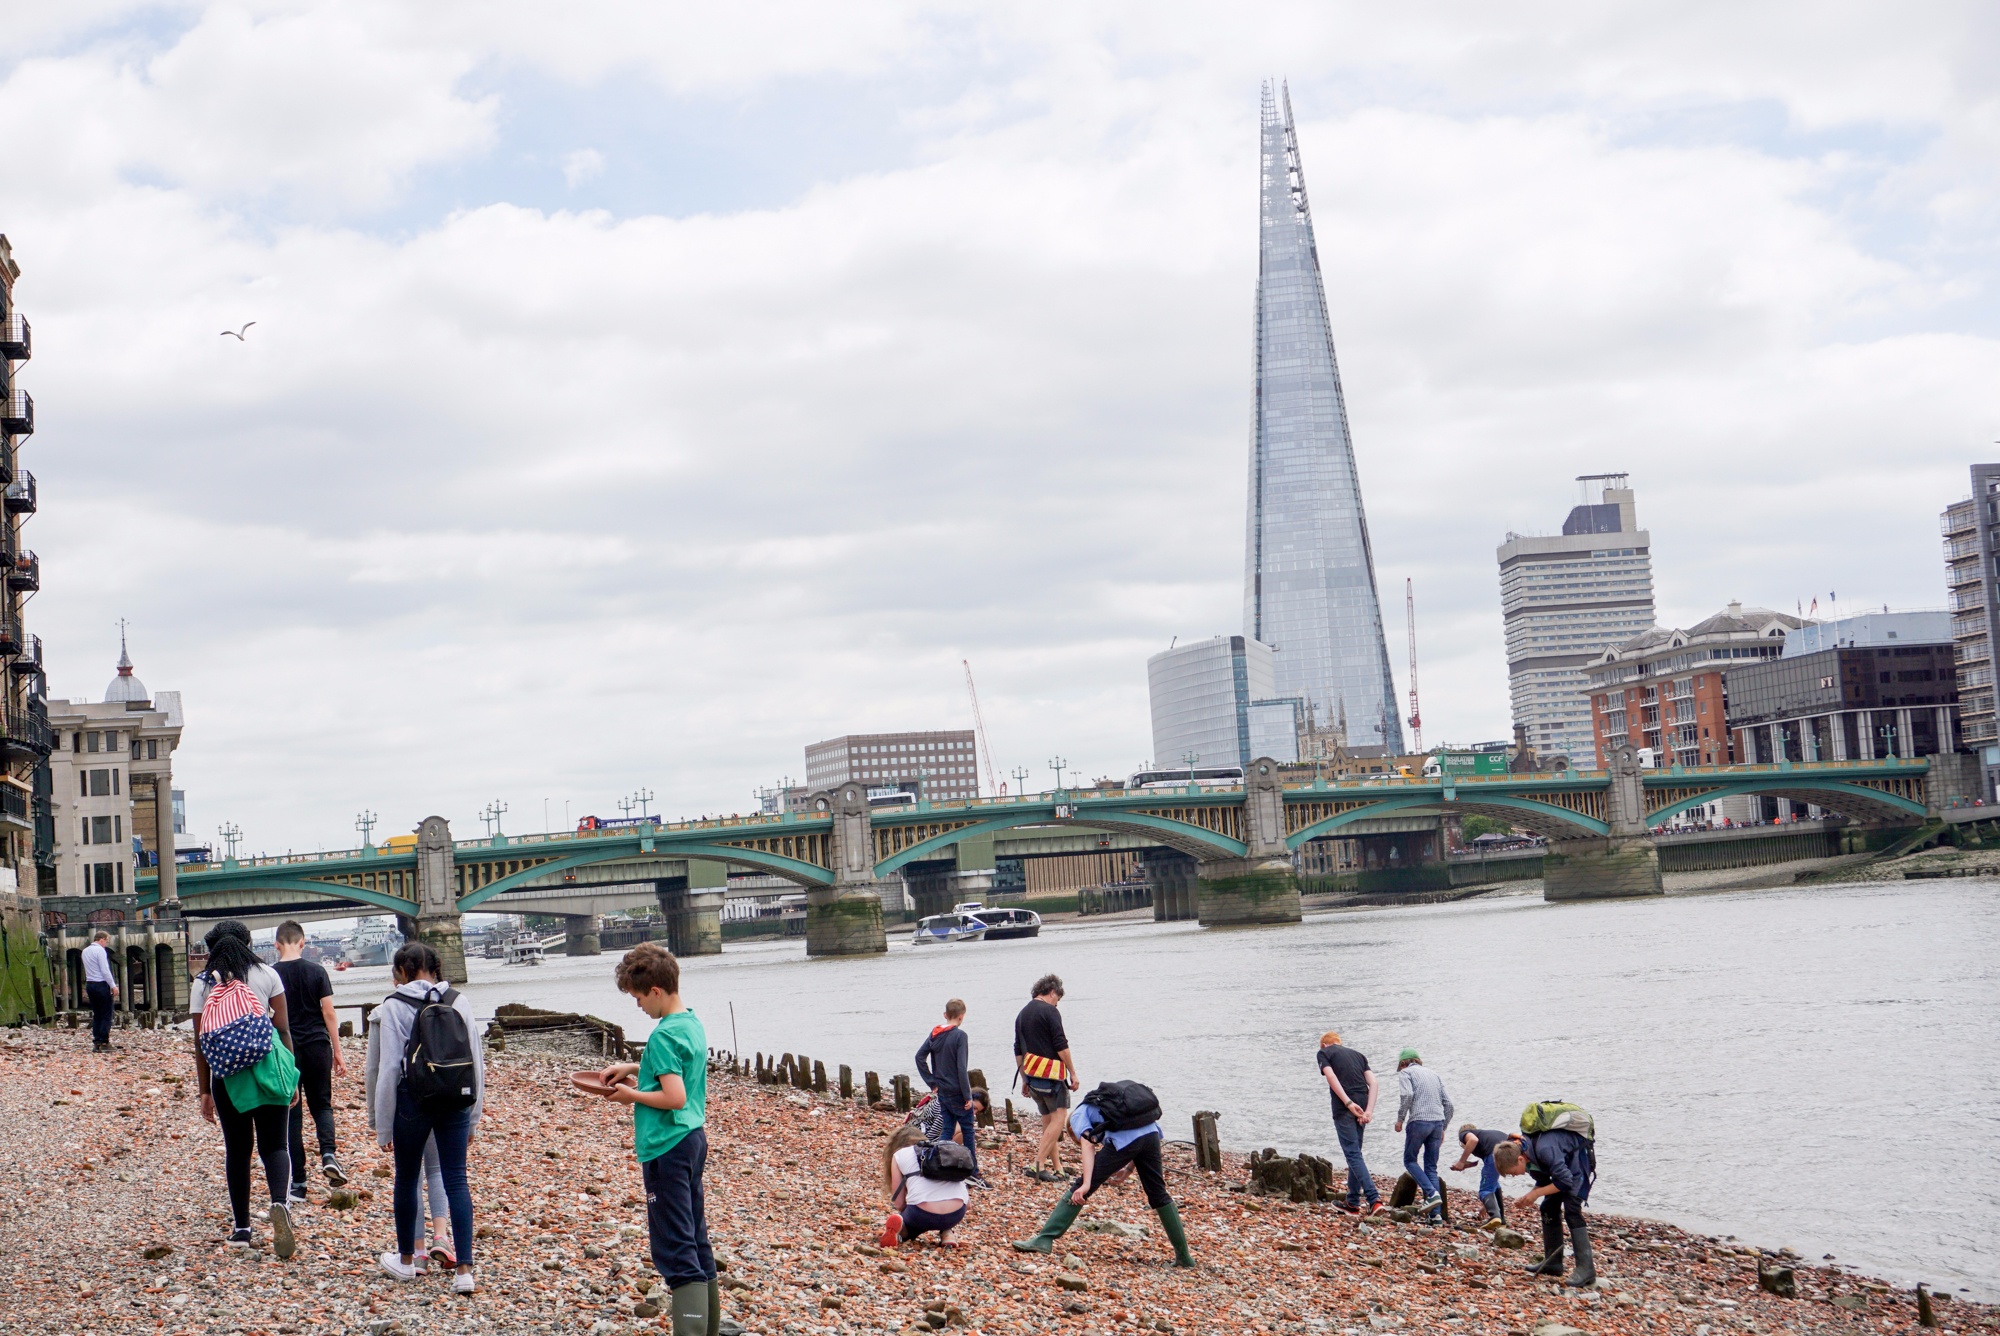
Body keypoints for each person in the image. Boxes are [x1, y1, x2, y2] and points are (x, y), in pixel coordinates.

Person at [595, 942, 716, 1336]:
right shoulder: (690, 1021)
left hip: (667, 1145)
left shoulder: (663, 1035)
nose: (638, 1006)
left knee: (675, 1247)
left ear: (656, 992)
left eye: (638, 997)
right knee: (695, 1238)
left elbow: (673, 1096)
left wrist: (631, 1094)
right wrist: (636, 1065)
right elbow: (681, 1069)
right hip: (692, 1139)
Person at [366, 942, 483, 1292]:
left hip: (412, 1101)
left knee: (406, 1177)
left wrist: (382, 1124)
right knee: (456, 1180)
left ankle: (405, 1261)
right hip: (455, 1100)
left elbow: (388, 1069)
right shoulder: (459, 1001)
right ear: (435, 968)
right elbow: (476, 1062)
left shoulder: (394, 1006)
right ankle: (464, 1272)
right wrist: (473, 1116)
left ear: (402, 971)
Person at [190, 920, 298, 1257]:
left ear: (212, 948)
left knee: (238, 1150)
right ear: (248, 943)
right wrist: (292, 1075)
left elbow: (201, 1042)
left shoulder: (204, 982)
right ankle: (280, 1204)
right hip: (269, 1068)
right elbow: (282, 1029)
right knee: (276, 1146)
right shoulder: (267, 974)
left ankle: (242, 1228)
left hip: (228, 1076)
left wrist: (205, 1090)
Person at [1011, 1083, 1192, 1267]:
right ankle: (1184, 1258)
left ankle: (1044, 1238)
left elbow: (1088, 1145)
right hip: (1151, 1133)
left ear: (1072, 1131)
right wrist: (1129, 1170)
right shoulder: (1108, 1108)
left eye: (1075, 1139)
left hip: (1128, 1140)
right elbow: (1140, 1136)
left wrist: (1087, 1184)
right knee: (1158, 1193)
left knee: (1081, 1187)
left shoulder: (1078, 1117)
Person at [272, 921, 348, 1199]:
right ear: (303, 943)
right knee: (322, 1105)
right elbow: (328, 1013)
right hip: (317, 1046)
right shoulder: (317, 971)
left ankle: (299, 1184)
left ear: (276, 945)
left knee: (292, 1112)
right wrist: (337, 1050)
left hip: (286, 1050)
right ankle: (328, 1154)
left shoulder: (272, 975)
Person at [1496, 1124, 1598, 1287]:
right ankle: (1553, 1263)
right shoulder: (1526, 1154)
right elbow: (1544, 1181)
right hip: (1564, 1171)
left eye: (1512, 1172)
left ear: (1520, 1159)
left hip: (1578, 1164)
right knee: (1548, 1208)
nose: (1513, 1176)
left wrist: (1536, 1193)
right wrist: (1529, 1196)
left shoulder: (1544, 1149)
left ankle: (1586, 1269)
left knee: (1572, 1211)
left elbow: (1565, 1181)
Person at [1012, 974, 1079, 1183]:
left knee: (1048, 1121)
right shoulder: (1050, 1012)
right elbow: (1061, 1045)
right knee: (1059, 1119)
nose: (1056, 1004)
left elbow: (1017, 1049)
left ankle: (1058, 1168)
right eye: (1057, 1000)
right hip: (1051, 1077)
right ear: (1052, 992)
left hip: (1032, 1077)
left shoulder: (1022, 1014)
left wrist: (1024, 1078)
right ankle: (1038, 1164)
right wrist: (1073, 1072)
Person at [914, 999, 986, 1186]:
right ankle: (972, 1171)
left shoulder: (935, 1033)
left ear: (945, 1015)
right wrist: (968, 1096)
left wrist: (931, 1081)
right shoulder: (960, 1036)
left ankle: (939, 1162)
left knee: (947, 1128)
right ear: (961, 1017)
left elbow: (919, 1057)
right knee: (968, 1131)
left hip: (943, 1091)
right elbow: (961, 1068)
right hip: (957, 1091)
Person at [1316, 1031, 1382, 1214]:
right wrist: (1369, 1110)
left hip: (1345, 1107)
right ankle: (1352, 1202)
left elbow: (1331, 1077)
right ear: (1339, 1043)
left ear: (1324, 1045)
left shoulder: (1324, 1053)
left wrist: (1348, 1103)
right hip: (1363, 1102)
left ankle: (1374, 1199)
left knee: (1352, 1154)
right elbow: (1374, 1083)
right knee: (1356, 1154)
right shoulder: (1359, 1055)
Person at [879, 1123, 970, 1249]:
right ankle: (947, 1233)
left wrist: (909, 1214)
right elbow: (968, 1204)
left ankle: (902, 1230)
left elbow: (899, 1203)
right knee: (945, 1203)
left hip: (921, 1214)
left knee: (911, 1226)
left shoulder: (899, 1155)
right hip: (956, 1213)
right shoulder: (941, 1152)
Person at [1392, 1049, 1454, 1221]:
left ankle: (1432, 1193)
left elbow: (1408, 1095)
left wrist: (1400, 1119)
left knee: (1410, 1160)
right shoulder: (1434, 1074)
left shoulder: (1406, 1073)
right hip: (1437, 1123)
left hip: (1419, 1121)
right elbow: (1449, 1105)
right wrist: (1443, 1128)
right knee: (1431, 1168)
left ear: (1403, 1063)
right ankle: (1436, 1217)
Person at [1450, 1124, 1519, 1223]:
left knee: (1485, 1190)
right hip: (1513, 1152)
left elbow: (1473, 1140)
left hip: (1497, 1153)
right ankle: (1501, 1219)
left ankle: (1495, 1216)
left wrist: (1461, 1161)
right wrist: (1487, 1205)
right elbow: (1491, 1178)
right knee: (1493, 1184)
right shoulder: (1487, 1137)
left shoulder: (1464, 1133)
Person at [81, 931, 119, 1051]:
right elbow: (105, 970)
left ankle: (97, 1042)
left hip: (90, 985)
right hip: (101, 984)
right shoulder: (100, 951)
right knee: (107, 1014)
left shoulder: (85, 951)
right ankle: (104, 1042)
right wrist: (113, 986)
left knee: (97, 1014)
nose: (106, 944)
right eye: (106, 941)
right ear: (101, 939)